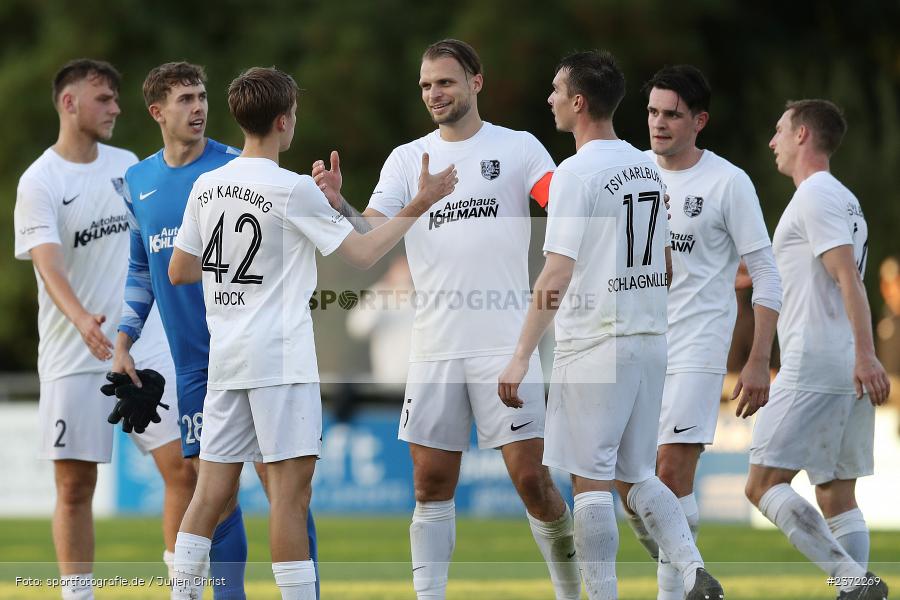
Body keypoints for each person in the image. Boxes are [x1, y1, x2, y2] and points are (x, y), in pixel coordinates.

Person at [167, 66, 456, 600]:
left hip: (227, 359)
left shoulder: (207, 186)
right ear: (283, 121)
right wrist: (419, 202)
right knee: (290, 498)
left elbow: (179, 270)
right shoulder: (291, 188)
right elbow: (366, 253)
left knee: (209, 494)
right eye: (294, 115)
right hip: (279, 361)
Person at [312, 39, 581, 600]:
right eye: (427, 85)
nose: (434, 93)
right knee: (431, 484)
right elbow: (371, 237)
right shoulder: (407, 158)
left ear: (475, 83)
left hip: (505, 342)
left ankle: (569, 587)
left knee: (531, 480)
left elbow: (563, 204)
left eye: (445, 82)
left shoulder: (518, 148)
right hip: (434, 346)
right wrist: (341, 207)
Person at [498, 50, 724, 600]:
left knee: (591, 484)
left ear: (578, 102)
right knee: (638, 477)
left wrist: (521, 353)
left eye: (555, 90)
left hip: (597, 339)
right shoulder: (644, 164)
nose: (549, 98)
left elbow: (557, 270)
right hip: (650, 339)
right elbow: (667, 263)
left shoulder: (575, 172)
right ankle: (694, 572)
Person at [12, 58, 190, 600]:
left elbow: (150, 252)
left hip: (142, 341)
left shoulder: (127, 165)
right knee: (75, 486)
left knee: (184, 469)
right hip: (74, 350)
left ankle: (183, 588)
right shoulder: (40, 181)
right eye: (104, 99)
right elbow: (48, 262)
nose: (116, 107)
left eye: (116, 98)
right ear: (70, 104)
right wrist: (81, 318)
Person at [626, 64, 782, 599]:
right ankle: (691, 572)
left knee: (671, 475)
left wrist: (758, 359)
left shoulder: (728, 182)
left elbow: (766, 274)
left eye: (672, 114)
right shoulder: (631, 174)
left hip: (697, 345)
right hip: (634, 346)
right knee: (630, 487)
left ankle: (685, 590)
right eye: (652, 111)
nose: (659, 123)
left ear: (700, 121)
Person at [745, 99, 890, 599]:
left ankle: (852, 580)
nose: (773, 142)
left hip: (820, 360)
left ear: (803, 135)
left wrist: (867, 355)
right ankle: (854, 592)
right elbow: (804, 276)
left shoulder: (815, 196)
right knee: (835, 492)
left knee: (761, 484)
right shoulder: (845, 199)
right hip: (845, 362)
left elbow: (846, 276)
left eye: (779, 130)